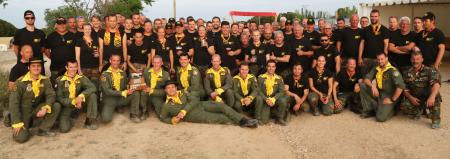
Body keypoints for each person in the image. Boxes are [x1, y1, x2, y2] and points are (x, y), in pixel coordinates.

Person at [159, 80, 258, 128]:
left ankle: (243, 120)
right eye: (168, 88)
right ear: (165, 90)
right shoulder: (166, 105)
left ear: (176, 88)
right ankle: (241, 123)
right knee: (220, 118)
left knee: (221, 106)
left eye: (172, 87)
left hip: (201, 105)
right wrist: (172, 120)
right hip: (196, 116)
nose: (171, 89)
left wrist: (184, 110)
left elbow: (194, 100)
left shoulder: (183, 92)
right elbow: (163, 117)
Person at [9, 57, 61, 143]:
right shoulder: (20, 82)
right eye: (33, 66)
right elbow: (14, 103)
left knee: (55, 106)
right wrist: (16, 122)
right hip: (23, 112)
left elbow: (51, 95)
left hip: (36, 109)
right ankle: (9, 118)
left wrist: (46, 108)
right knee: (21, 138)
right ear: (29, 68)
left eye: (38, 66)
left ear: (41, 67)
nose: (36, 68)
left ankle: (43, 130)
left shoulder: (45, 80)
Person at [359, 52, 405, 121]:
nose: (380, 61)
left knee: (380, 118)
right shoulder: (376, 68)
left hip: (389, 96)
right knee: (362, 86)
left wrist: (392, 100)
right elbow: (366, 79)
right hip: (379, 93)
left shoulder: (393, 71)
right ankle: (369, 110)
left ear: (386, 58)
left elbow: (400, 87)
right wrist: (373, 86)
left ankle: (393, 109)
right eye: (378, 59)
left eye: (382, 59)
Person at [401, 52, 441, 129]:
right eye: (413, 59)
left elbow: (436, 84)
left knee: (436, 95)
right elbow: (405, 89)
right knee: (404, 106)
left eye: (418, 59)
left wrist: (432, 97)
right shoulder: (407, 72)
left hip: (428, 96)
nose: (415, 61)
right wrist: (410, 98)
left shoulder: (429, 70)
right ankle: (420, 111)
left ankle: (435, 120)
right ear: (410, 60)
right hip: (415, 96)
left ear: (422, 60)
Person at [55, 60, 98, 132]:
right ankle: (67, 118)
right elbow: (59, 98)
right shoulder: (60, 80)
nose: (73, 69)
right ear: (66, 67)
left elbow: (92, 88)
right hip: (67, 106)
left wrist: (81, 96)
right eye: (71, 67)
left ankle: (88, 121)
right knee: (64, 129)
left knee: (92, 95)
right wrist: (74, 101)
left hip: (79, 102)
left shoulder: (80, 78)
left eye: (75, 67)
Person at [100, 54, 141, 123]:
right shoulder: (105, 74)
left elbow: (125, 85)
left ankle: (134, 114)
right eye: (114, 60)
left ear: (120, 62)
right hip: (110, 100)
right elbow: (107, 91)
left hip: (121, 98)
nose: (116, 62)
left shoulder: (123, 73)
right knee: (106, 119)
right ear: (110, 61)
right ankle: (109, 107)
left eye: (118, 61)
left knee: (135, 93)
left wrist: (131, 85)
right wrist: (123, 92)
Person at [4, 45, 34, 127]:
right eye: (27, 52)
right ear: (21, 53)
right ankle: (9, 115)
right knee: (26, 126)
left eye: (31, 52)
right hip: (23, 98)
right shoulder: (16, 68)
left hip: (33, 96)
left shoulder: (35, 66)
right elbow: (11, 87)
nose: (30, 54)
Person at [45, 17, 77, 85]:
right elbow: (47, 50)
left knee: (71, 86)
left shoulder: (73, 36)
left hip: (70, 68)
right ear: (56, 25)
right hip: (55, 67)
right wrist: (53, 57)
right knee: (56, 86)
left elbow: (77, 50)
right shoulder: (51, 36)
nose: (62, 26)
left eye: (63, 24)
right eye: (59, 24)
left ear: (66, 24)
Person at [257, 60, 288, 125]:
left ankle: (280, 118)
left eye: (273, 66)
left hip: (274, 99)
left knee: (283, 100)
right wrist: (266, 99)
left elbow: (281, 92)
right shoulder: (260, 77)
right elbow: (258, 91)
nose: (271, 68)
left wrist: (273, 99)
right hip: (265, 100)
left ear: (275, 68)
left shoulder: (279, 78)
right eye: (269, 66)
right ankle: (273, 112)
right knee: (264, 121)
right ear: (266, 67)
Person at [358, 9, 389, 74]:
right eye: (372, 16)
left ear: (379, 17)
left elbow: (386, 45)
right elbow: (362, 44)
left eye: (375, 16)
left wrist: (385, 58)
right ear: (370, 17)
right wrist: (360, 57)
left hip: (379, 60)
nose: (373, 18)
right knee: (365, 78)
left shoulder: (384, 29)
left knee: (378, 80)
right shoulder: (365, 29)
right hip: (366, 59)